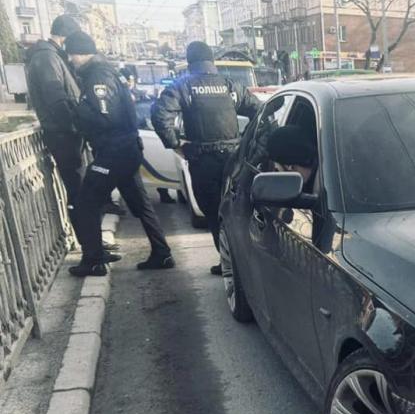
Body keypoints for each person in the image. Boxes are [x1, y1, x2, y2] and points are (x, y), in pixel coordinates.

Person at [64, 31, 173, 276]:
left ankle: (93, 261)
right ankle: (162, 253)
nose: (71, 60)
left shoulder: (98, 76)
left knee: (85, 202)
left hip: (114, 152)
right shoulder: (106, 72)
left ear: (82, 52)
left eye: (72, 55)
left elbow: (105, 117)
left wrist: (76, 112)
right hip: (125, 150)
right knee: (141, 205)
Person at [151, 40, 261, 275]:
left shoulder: (184, 86)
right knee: (238, 210)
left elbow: (159, 114)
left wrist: (176, 144)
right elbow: (258, 110)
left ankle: (228, 262)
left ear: (190, 62)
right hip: (234, 160)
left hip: (204, 161)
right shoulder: (229, 85)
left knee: (213, 212)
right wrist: (247, 142)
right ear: (211, 61)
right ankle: (244, 262)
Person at [25, 15, 84, 215]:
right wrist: (74, 126)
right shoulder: (46, 58)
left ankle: (88, 230)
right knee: (77, 191)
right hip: (62, 135)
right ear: (64, 37)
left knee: (80, 188)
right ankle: (86, 233)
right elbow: (57, 100)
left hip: (66, 133)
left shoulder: (53, 56)